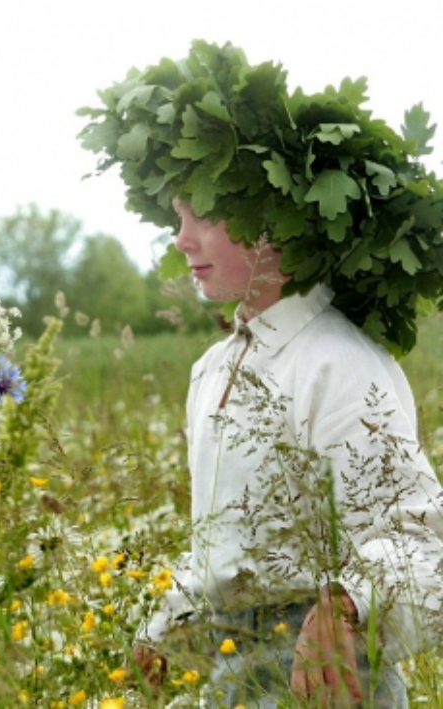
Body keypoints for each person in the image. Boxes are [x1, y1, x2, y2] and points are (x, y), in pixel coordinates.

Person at [79, 41, 443, 707]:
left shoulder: (340, 361)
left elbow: (420, 537)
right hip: (227, 673)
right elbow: (225, 548)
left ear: (276, 219)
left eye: (206, 216)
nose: (181, 239)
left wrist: (346, 606)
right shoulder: (213, 368)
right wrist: (162, 624)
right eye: (177, 216)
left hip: (327, 675)